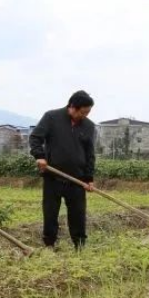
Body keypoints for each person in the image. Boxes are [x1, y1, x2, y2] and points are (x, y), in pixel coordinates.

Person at [30, 91, 96, 249]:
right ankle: (49, 245)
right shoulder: (52, 118)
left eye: (87, 113)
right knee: (50, 213)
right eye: (82, 112)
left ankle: (79, 246)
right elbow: (35, 138)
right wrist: (39, 156)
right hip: (53, 176)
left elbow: (90, 154)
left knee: (78, 215)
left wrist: (88, 178)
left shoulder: (88, 126)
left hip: (77, 180)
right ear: (72, 107)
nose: (84, 116)